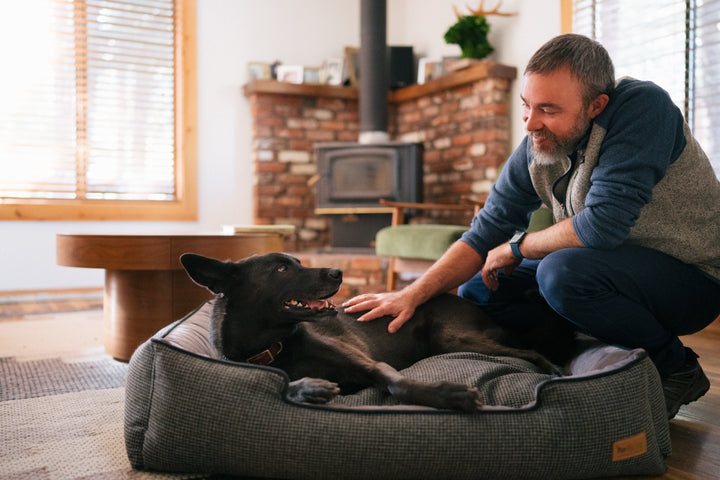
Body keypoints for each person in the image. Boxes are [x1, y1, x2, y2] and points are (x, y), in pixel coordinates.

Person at [343, 33, 720, 420]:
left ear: (597, 105)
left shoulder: (643, 108)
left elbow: (602, 226)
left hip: (691, 280)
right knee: (481, 287)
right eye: (526, 105)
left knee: (562, 273)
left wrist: (517, 247)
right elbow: (483, 232)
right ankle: (576, 350)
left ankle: (677, 367)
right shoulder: (539, 144)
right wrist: (410, 295)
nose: (530, 123)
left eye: (548, 109)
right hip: (608, 271)